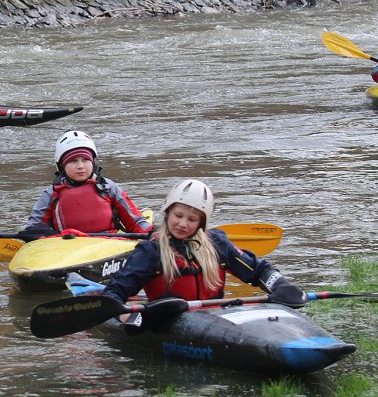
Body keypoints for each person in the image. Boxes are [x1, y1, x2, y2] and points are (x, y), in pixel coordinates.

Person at [101, 179, 305, 330]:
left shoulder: (217, 244)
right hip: (169, 321)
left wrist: (280, 285)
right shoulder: (151, 252)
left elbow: (258, 270)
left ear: (201, 223)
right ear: (167, 213)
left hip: (218, 317)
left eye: (192, 219)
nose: (182, 223)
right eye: (178, 215)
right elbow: (114, 293)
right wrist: (129, 317)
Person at [20, 130, 153, 241]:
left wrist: (154, 233)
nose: (80, 166)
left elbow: (134, 221)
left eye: (85, 160)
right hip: (66, 244)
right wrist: (36, 232)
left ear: (93, 162)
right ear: (62, 166)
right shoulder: (53, 193)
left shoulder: (107, 187)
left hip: (108, 243)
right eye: (73, 161)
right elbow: (34, 225)